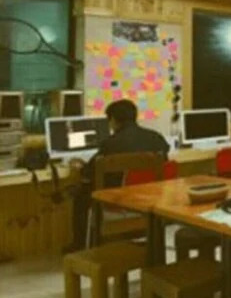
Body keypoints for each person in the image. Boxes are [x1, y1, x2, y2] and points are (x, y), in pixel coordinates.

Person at [68, 99, 170, 251]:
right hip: (150, 198)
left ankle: (79, 245)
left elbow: (89, 173)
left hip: (119, 201)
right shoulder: (156, 138)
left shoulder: (110, 143)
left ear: (113, 120)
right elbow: (165, 160)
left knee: (81, 195)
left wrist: (79, 167)